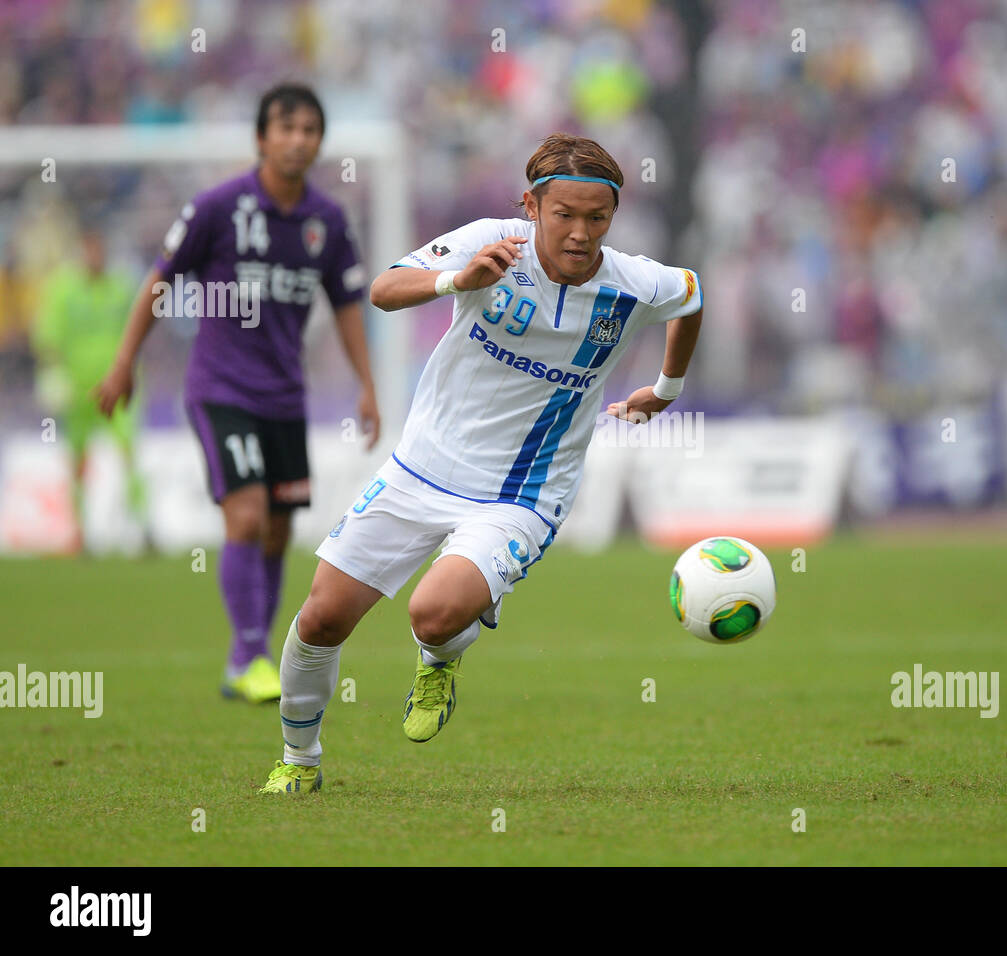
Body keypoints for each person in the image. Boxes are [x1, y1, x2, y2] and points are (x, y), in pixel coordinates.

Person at [257, 132, 703, 793]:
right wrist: (455, 281)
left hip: (523, 491)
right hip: (421, 466)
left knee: (433, 612)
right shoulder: (492, 242)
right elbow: (382, 289)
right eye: (565, 215)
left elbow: (691, 296)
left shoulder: (635, 282)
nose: (581, 233)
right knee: (321, 617)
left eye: (596, 218)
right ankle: (299, 763)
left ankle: (439, 659)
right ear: (531, 205)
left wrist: (666, 390)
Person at [94, 84, 379, 703]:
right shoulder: (218, 208)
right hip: (220, 389)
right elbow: (158, 282)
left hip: (285, 397)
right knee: (246, 516)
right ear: (261, 138)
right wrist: (124, 364)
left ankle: (245, 656)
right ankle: (250, 653)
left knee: (277, 531)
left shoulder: (326, 221)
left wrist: (366, 387)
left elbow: (349, 303)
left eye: (310, 130)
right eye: (288, 128)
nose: (299, 140)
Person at [32, 228, 146, 550]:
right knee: (79, 459)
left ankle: (143, 528)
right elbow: (48, 336)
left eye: (100, 249)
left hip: (117, 384)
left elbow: (138, 329)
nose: (96, 256)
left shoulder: (121, 287)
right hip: (78, 389)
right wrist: (54, 373)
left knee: (128, 451)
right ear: (82, 250)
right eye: (90, 249)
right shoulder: (63, 290)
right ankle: (80, 532)